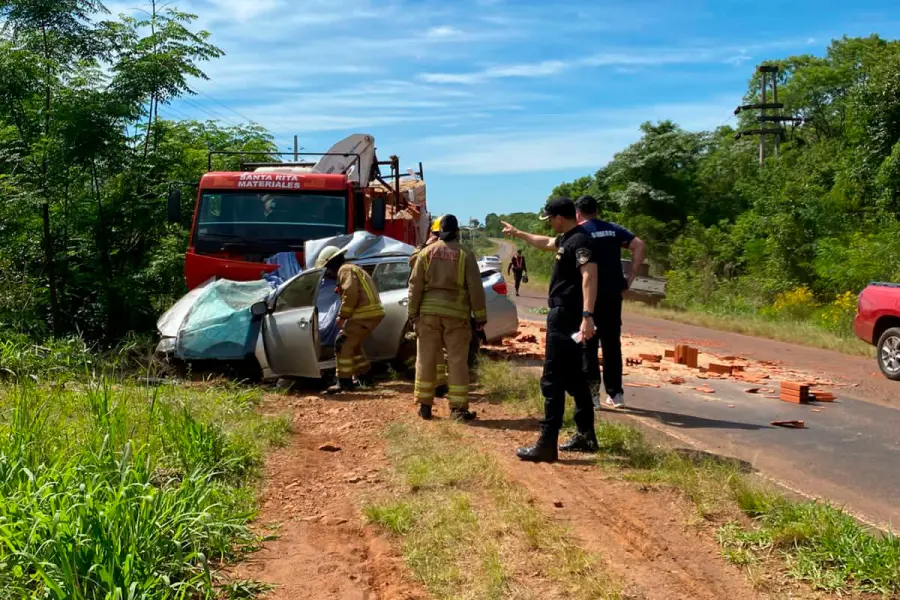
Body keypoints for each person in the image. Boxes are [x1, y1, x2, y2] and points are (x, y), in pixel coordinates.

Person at [501, 197, 599, 463]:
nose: (549, 225)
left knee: (552, 378)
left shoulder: (580, 241)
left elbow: (590, 275)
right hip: (568, 315)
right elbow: (544, 242)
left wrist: (587, 315)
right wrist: (518, 233)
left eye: (550, 220)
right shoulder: (568, 238)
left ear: (559, 218)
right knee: (575, 377)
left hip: (568, 316)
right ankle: (586, 435)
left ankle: (547, 443)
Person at [408, 214, 487, 422]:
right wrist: (480, 317)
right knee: (457, 361)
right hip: (456, 316)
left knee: (425, 358)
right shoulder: (465, 254)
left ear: (439, 232)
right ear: (457, 232)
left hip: (428, 315)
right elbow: (475, 288)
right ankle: (458, 409)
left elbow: (415, 285)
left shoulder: (426, 253)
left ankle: (425, 406)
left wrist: (412, 313)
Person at [574, 195, 645, 409]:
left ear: (578, 213)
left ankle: (593, 395)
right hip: (614, 293)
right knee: (612, 344)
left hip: (590, 296)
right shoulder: (614, 229)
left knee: (588, 344)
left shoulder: (580, 232)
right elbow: (639, 245)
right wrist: (631, 276)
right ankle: (616, 394)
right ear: (596, 210)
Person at [315, 246, 385, 394]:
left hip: (364, 314)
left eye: (327, 269)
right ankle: (364, 377)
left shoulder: (344, 270)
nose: (328, 273)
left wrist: (342, 316)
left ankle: (344, 382)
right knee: (354, 345)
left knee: (342, 342)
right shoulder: (353, 269)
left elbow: (351, 293)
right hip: (370, 314)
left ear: (331, 263)